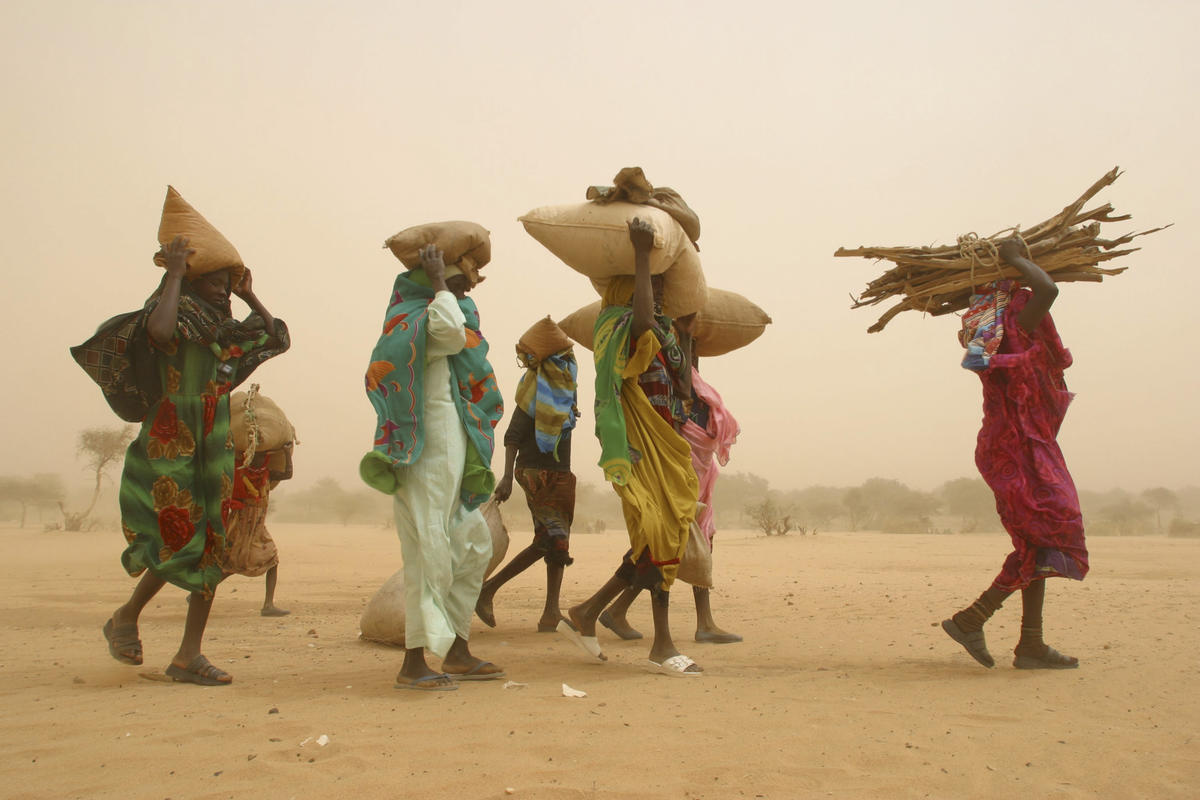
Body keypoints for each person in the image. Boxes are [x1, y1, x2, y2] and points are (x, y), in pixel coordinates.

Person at [102, 232, 289, 686]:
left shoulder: (221, 331)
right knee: (176, 535)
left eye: (228, 282)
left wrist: (249, 294)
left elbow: (276, 337)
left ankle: (188, 654)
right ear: (191, 282)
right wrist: (175, 274)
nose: (224, 290)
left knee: (213, 542)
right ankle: (126, 616)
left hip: (214, 434)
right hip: (172, 433)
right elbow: (160, 332)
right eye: (216, 282)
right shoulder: (173, 312)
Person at [560, 217, 702, 676]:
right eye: (649, 289)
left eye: (661, 290)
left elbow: (684, 387)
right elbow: (639, 319)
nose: (657, 297)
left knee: (656, 542)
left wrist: (682, 334)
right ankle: (662, 644)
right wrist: (642, 255)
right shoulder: (615, 324)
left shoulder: (662, 333)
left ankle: (587, 611)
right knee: (659, 535)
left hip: (669, 447)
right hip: (637, 447)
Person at [361, 242, 505, 691]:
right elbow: (450, 332)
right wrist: (441, 281)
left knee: (474, 544)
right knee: (430, 549)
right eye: (454, 285)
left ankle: (457, 648)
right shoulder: (413, 319)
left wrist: (449, 287)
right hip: (425, 447)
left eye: (463, 286)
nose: (463, 296)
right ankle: (414, 662)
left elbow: (458, 331)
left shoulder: (440, 314)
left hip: (452, 441)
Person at [942, 237, 1087, 670]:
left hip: (1012, 444)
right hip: (1020, 446)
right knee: (1056, 526)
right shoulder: (1013, 324)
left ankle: (1030, 644)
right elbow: (1048, 290)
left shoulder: (986, 332)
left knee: (1036, 540)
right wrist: (1016, 258)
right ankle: (974, 617)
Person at [598, 354, 742, 644]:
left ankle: (615, 610)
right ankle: (605, 610)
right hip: (677, 467)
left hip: (693, 467)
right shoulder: (660, 374)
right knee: (662, 546)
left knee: (692, 542)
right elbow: (678, 411)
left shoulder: (681, 368)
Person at [476, 324, 580, 632]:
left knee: (556, 544)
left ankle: (550, 612)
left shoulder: (565, 397)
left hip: (560, 473)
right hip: (534, 472)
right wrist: (507, 476)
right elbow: (513, 436)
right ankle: (488, 590)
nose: (568, 366)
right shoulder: (534, 389)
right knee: (553, 538)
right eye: (564, 359)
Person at [224, 432, 295, 617]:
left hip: (257, 526)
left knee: (271, 560)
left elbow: (287, 474)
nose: (262, 458)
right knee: (233, 563)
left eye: (263, 455)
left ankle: (268, 604)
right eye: (258, 454)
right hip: (241, 525)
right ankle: (201, 591)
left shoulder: (265, 474)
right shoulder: (238, 474)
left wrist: (287, 454)